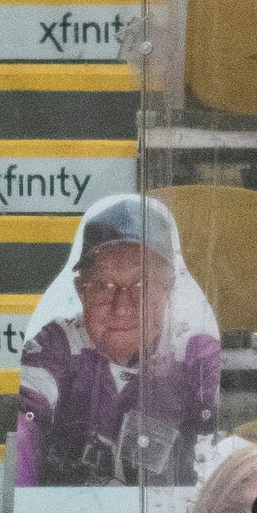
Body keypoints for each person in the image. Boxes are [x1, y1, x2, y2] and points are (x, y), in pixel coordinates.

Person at [16, 194, 220, 488]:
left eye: (143, 285)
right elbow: (26, 419)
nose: (122, 307)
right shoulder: (57, 344)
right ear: (81, 290)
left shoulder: (194, 355)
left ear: (168, 289)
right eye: (103, 285)